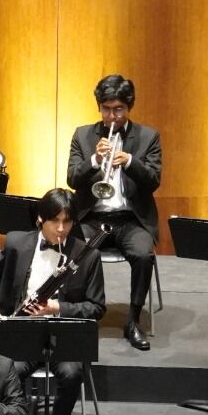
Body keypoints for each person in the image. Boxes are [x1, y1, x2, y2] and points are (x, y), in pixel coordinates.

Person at [0, 188, 107, 415]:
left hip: (63, 334)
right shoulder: (16, 243)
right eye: (54, 221)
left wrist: (57, 308)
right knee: (10, 370)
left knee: (72, 373)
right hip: (22, 330)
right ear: (41, 219)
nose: (61, 229)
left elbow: (97, 308)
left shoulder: (87, 256)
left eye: (67, 221)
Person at [68, 74, 162, 351]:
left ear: (129, 107)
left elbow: (154, 180)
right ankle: (80, 315)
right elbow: (73, 179)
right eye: (107, 109)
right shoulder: (83, 135)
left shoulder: (148, 137)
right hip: (92, 218)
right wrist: (95, 160)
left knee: (143, 255)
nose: (112, 116)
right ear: (99, 107)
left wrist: (131, 162)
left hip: (130, 219)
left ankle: (133, 320)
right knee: (73, 250)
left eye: (118, 109)